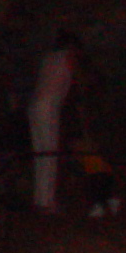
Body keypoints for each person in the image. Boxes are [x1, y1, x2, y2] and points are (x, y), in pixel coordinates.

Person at [29, 31, 82, 213]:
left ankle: (40, 198)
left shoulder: (48, 58)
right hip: (48, 106)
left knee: (41, 153)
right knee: (50, 152)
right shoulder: (67, 56)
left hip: (36, 104)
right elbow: (78, 78)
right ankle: (46, 201)